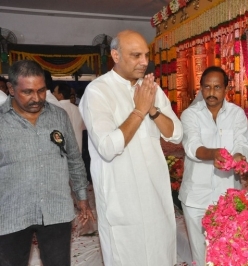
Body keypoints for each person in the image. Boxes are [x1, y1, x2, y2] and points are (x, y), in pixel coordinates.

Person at [79, 30, 183, 266]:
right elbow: (107, 146)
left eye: (146, 55)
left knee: (160, 255)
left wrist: (152, 109)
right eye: (136, 55)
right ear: (115, 55)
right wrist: (139, 111)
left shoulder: (151, 89)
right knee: (127, 257)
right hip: (121, 200)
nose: (144, 62)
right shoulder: (98, 91)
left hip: (155, 195)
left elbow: (176, 134)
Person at [0, 60, 94, 266]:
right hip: (10, 213)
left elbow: (74, 158)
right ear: (11, 89)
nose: (37, 98)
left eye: (41, 90)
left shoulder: (58, 116)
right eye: (28, 92)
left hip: (56, 209)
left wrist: (81, 196)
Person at [179, 66, 248, 265]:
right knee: (200, 253)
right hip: (196, 197)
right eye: (207, 87)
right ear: (201, 89)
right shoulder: (190, 115)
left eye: (217, 87)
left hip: (227, 196)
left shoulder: (237, 114)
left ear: (226, 89)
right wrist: (214, 154)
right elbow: (192, 146)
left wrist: (237, 156)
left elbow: (243, 142)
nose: (211, 93)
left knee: (227, 252)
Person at [53, 82, 85, 153]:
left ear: (60, 95)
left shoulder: (56, 109)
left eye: (55, 92)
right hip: (77, 149)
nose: (53, 94)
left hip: (62, 152)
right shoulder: (77, 109)